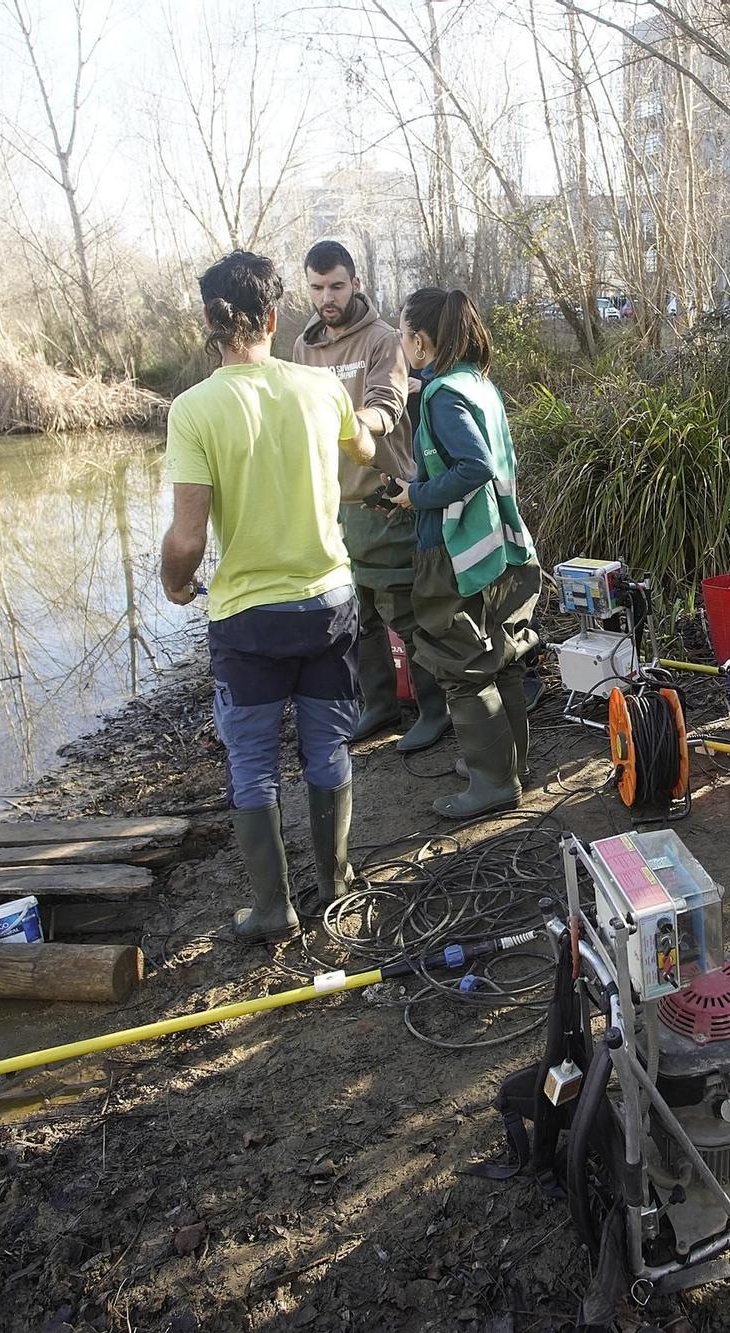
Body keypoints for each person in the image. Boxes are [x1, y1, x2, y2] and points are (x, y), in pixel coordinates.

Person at [159, 251, 375, 940]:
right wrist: (370, 419)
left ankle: (273, 908)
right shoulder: (319, 388)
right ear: (277, 317)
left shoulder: (194, 410)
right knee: (328, 745)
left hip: (248, 617)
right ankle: (335, 883)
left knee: (253, 761)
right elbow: (363, 449)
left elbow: (188, 540)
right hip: (329, 602)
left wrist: (174, 583)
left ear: (209, 323)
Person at [388, 288, 543, 819]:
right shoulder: (475, 382)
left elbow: (473, 465)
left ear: (422, 341)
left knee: (461, 666)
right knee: (504, 656)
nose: (403, 347)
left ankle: (493, 782)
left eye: (404, 336)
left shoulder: (442, 395)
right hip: (500, 544)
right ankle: (509, 762)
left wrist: (417, 495)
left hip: (455, 551)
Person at [290, 239, 450, 755]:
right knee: (357, 619)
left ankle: (434, 710)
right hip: (335, 508)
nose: (326, 297)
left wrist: (356, 425)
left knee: (407, 613)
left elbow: (389, 403)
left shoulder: (383, 341)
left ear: (355, 282)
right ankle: (378, 706)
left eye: (336, 285)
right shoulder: (304, 348)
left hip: (387, 501)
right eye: (317, 287)